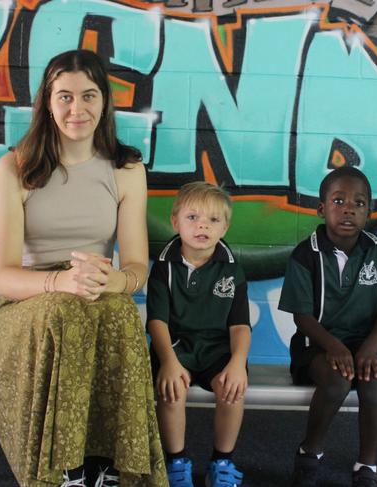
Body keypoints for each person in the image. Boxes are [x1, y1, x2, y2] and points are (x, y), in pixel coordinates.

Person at [0, 49, 168, 487]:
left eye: (88, 96)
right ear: (47, 102)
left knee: (120, 310)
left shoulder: (126, 168)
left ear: (104, 101)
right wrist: (60, 281)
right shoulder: (15, 167)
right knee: (64, 311)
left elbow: (138, 265)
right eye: (64, 97)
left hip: (94, 293)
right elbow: (2, 276)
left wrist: (115, 280)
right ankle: (63, 471)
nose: (76, 109)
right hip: (28, 305)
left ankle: (111, 466)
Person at [278, 166, 377, 487]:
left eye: (359, 203)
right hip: (317, 347)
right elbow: (301, 317)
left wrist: (372, 350)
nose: (349, 208)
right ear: (322, 208)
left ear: (369, 212)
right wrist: (334, 346)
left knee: (373, 383)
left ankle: (367, 466)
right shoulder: (306, 254)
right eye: (339, 200)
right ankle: (309, 453)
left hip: (364, 346)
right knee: (338, 381)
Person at [146, 182, 251, 487]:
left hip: (217, 348)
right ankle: (177, 462)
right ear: (175, 221)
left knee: (231, 389)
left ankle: (222, 461)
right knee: (172, 387)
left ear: (225, 227)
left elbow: (240, 326)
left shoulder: (232, 269)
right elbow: (157, 322)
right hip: (176, 346)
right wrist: (168, 361)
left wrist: (237, 362)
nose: (202, 225)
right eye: (192, 218)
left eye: (213, 220)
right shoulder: (164, 267)